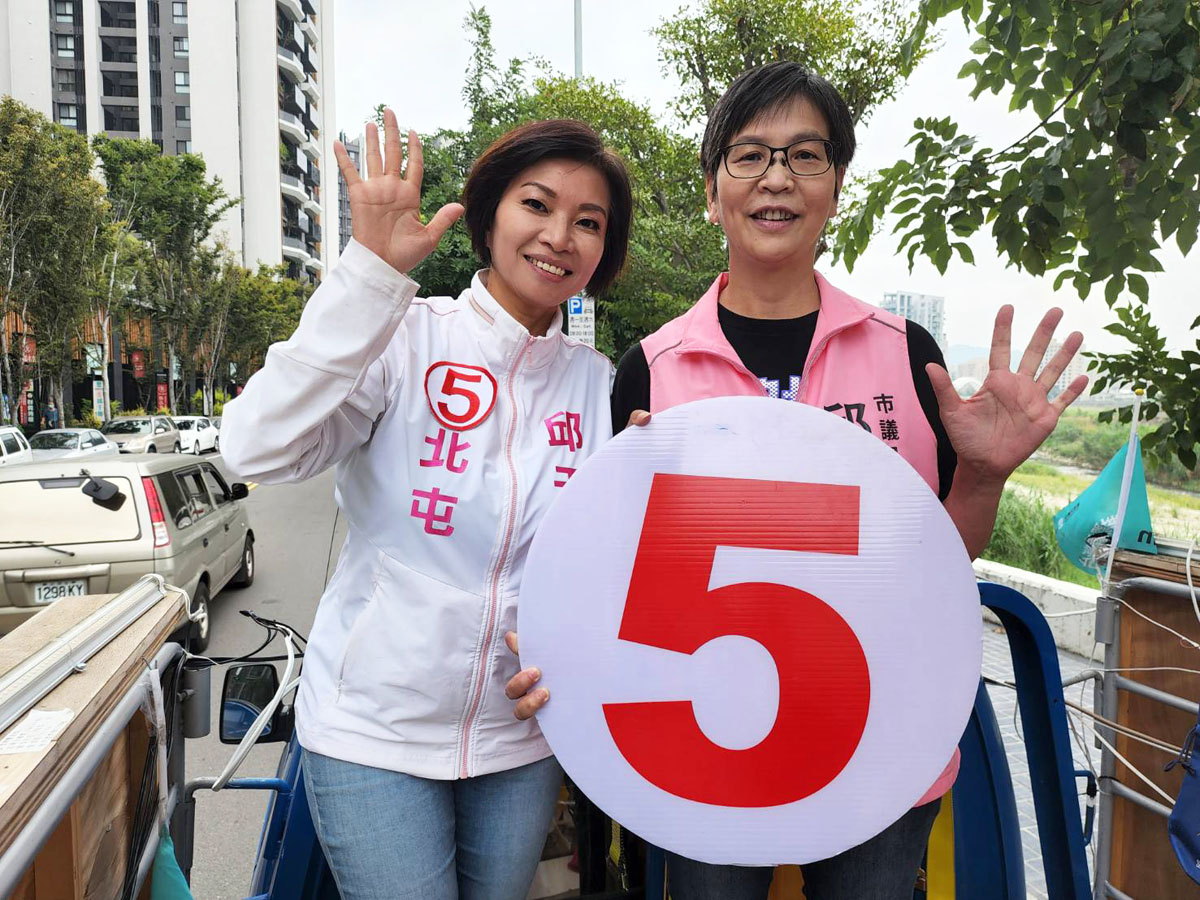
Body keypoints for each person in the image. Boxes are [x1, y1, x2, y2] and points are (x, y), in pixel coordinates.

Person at [506, 62, 1087, 899]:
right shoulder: (650, 369)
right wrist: (558, 642)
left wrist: (985, 476)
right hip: (702, 746)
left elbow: (938, 558)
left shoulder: (905, 353)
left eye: (805, 155)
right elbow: (611, 579)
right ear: (713, 191)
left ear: (837, 188)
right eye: (750, 156)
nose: (777, 177)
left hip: (881, 745)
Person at [220, 110, 633, 900]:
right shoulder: (401, 338)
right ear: (489, 216)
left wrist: (576, 660)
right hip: (374, 731)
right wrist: (368, 274)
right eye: (537, 205)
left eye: (589, 222)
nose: (560, 236)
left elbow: (601, 569)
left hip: (521, 740)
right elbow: (254, 447)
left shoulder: (598, 384)